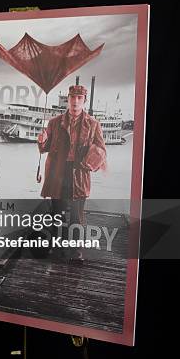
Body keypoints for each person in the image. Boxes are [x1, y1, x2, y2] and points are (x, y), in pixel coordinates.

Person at [37, 84, 106, 262]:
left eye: (79, 98)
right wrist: (41, 141)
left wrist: (89, 162)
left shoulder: (93, 124)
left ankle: (75, 253)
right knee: (56, 215)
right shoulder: (54, 122)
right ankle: (56, 249)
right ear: (67, 99)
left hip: (80, 174)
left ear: (84, 101)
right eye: (72, 98)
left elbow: (101, 150)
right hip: (57, 173)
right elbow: (44, 148)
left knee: (77, 216)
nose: (75, 102)